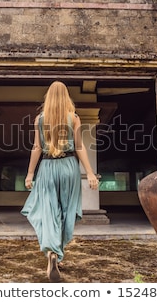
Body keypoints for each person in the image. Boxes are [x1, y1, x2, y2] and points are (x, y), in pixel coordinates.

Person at [21, 80, 99, 282]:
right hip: (69, 167)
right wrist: (90, 173)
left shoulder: (39, 119)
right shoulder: (73, 118)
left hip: (47, 167)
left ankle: (52, 252)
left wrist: (30, 174)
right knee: (66, 210)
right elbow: (80, 147)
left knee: (48, 211)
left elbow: (36, 148)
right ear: (66, 96)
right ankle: (58, 251)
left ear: (48, 96)